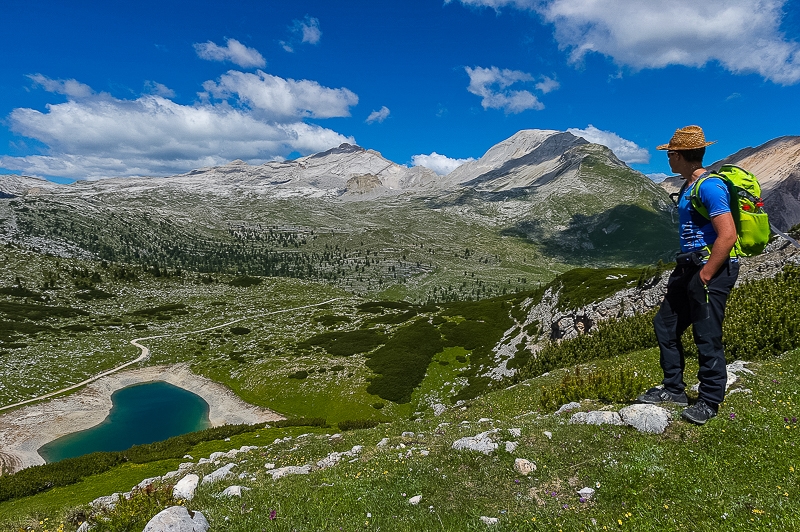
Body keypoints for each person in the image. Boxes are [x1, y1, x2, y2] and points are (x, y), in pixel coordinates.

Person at [637, 125, 739, 425]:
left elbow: (728, 235)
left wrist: (706, 274)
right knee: (665, 325)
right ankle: (674, 389)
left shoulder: (709, 186)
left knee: (706, 335)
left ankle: (709, 401)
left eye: (670, 154)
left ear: (680, 155)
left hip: (711, 268)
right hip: (689, 266)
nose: (667, 159)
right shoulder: (688, 184)